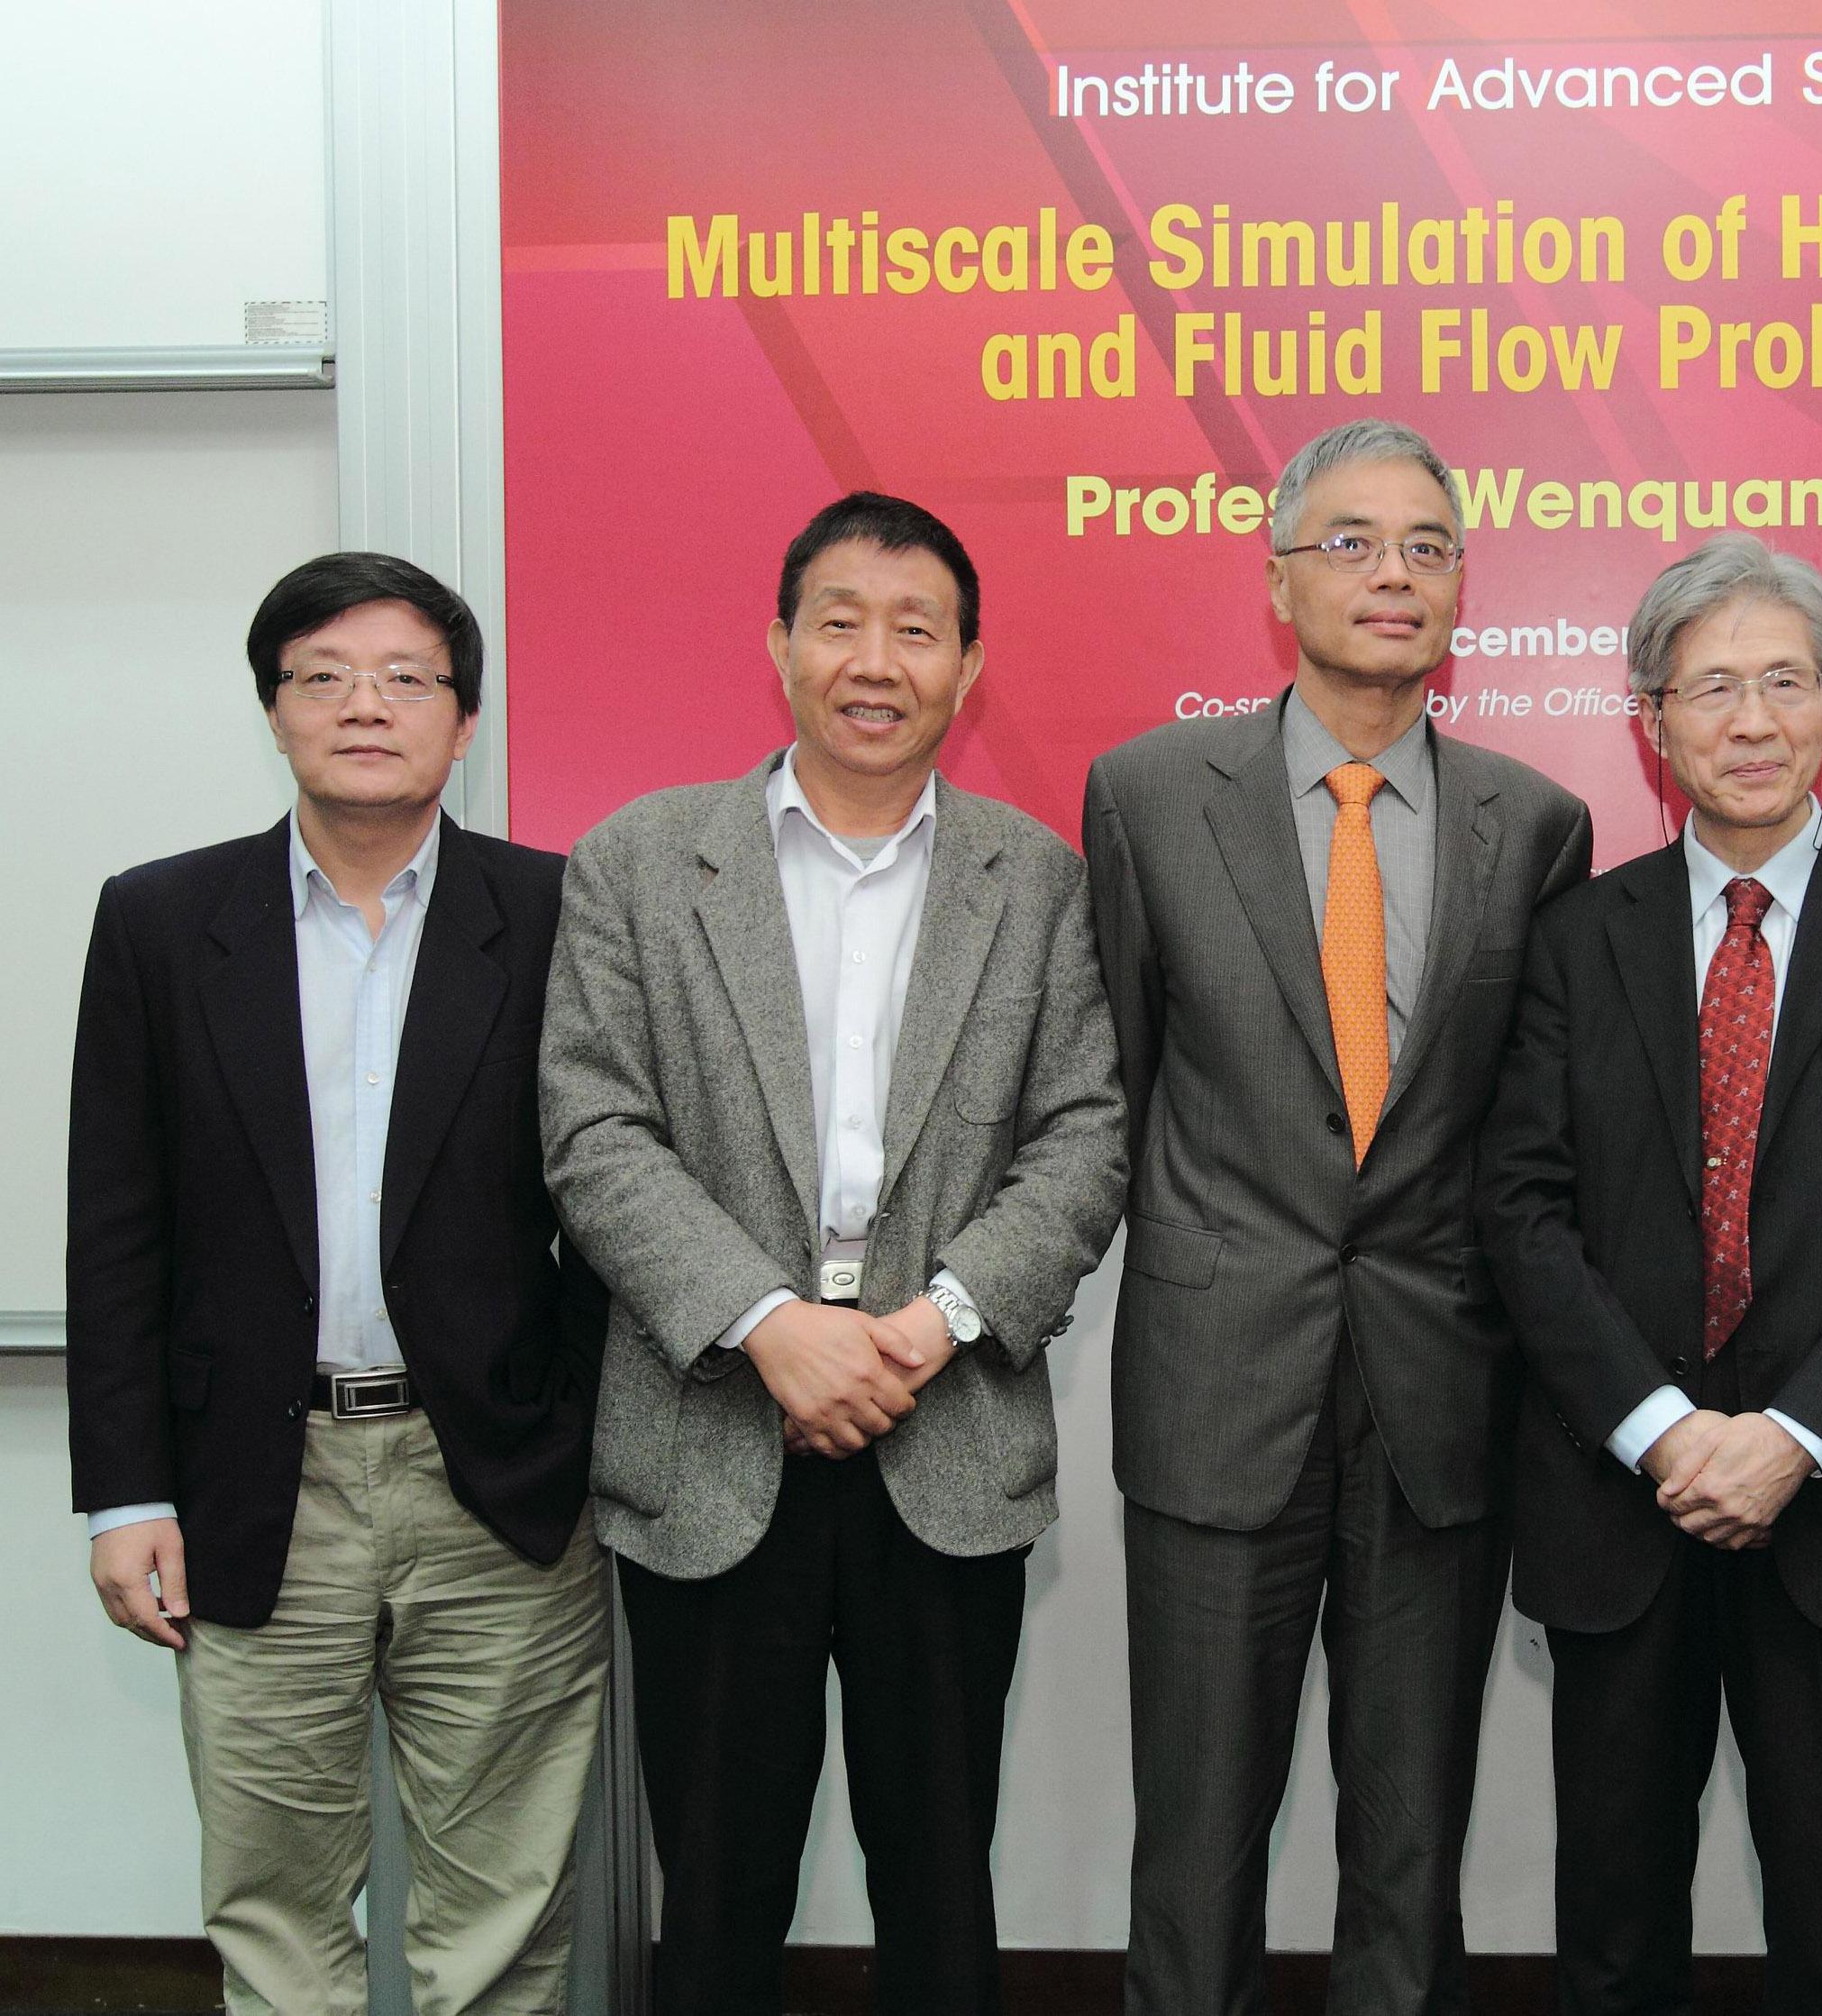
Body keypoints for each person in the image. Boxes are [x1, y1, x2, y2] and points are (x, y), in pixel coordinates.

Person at [539, 492, 1125, 2015]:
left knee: (942, 1880)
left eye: (917, 629)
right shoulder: (642, 861)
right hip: (710, 1440)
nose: (878, 660)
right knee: (718, 1888)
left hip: (948, 1437)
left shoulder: (1037, 877)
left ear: (968, 666)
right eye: (841, 621)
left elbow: (1082, 1141)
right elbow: (595, 1131)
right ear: (781, 642)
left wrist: (925, 1325)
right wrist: (766, 1323)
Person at [1081, 417, 1591, 2016]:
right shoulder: (1151, 794)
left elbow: (1530, 1138)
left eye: (1428, 547)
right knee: (1199, 1840)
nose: (1393, 573)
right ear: (1280, 580)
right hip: (1218, 1382)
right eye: (1354, 542)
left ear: (1461, 593)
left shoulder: (1539, 822)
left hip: (1439, 1396)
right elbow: (1122, 1089)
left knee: (1409, 1843)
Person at [67, 552, 607, 2012]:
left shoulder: (562, 915)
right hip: (252, 1477)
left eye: (408, 677)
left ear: (465, 719)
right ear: (275, 709)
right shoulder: (163, 922)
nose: (366, 704)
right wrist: (126, 1493)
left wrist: (570, 1430)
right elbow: (116, 1225)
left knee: (504, 1904)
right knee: (274, 1906)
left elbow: (612, 1204)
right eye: (325, 675)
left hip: (492, 1482)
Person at [1477, 534, 1822, 2015]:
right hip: (1616, 1504)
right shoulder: (1573, 941)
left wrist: (1790, 1437)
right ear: (1652, 721)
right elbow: (1522, 1210)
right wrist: (1661, 1429)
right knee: (1612, 1924)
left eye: (1786, 681)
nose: (1753, 720)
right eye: (1713, 687)